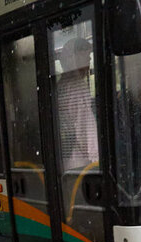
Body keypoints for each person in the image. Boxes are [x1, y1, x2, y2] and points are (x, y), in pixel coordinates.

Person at [56, 38, 100, 171]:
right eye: (86, 55)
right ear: (74, 59)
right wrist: (97, 160)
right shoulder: (76, 86)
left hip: (67, 162)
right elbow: (84, 128)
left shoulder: (62, 85)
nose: (89, 60)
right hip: (80, 164)